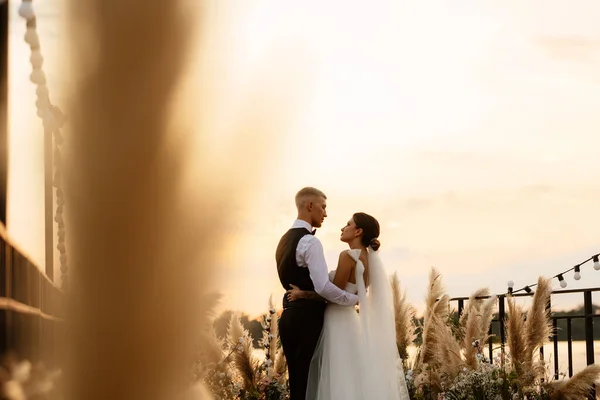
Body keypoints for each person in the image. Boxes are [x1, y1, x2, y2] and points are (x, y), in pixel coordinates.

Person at [287, 212, 410, 399]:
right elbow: (350, 294)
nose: (343, 228)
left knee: (337, 374)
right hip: (352, 321)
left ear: (358, 231)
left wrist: (303, 294)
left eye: (348, 224)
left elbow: (331, 293)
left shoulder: (348, 256)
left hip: (337, 320)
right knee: (352, 375)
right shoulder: (369, 260)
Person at [276, 187, 359, 400]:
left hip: (288, 317)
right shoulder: (310, 242)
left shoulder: (283, 240)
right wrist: (352, 299)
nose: (325, 213)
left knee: (297, 382)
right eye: (323, 207)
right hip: (308, 319)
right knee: (311, 382)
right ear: (310, 206)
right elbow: (322, 286)